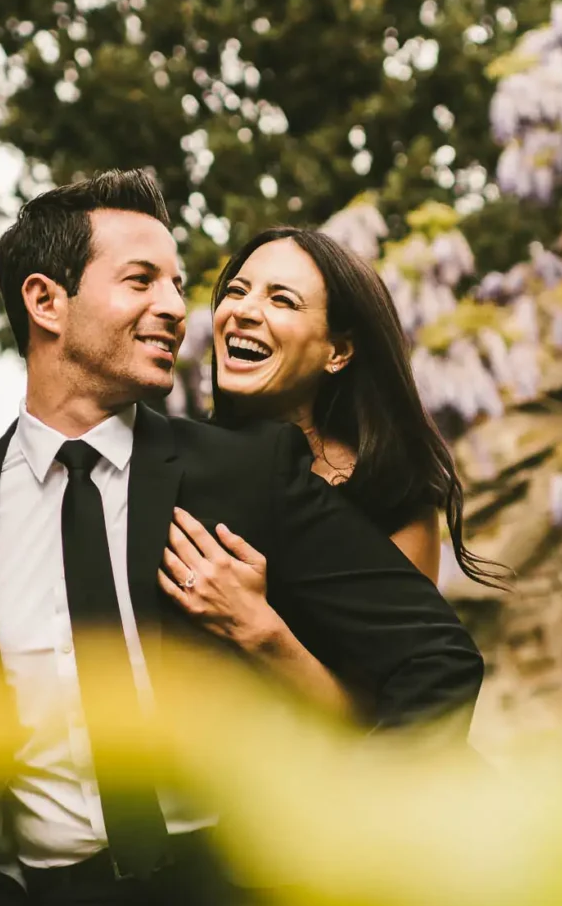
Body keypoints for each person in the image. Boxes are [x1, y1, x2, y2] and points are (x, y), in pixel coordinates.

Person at [0, 170, 485, 906]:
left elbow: (435, 663)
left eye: (177, 282)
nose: (178, 307)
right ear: (46, 302)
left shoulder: (241, 475)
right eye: (142, 281)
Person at [156, 227, 505, 712]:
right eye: (236, 291)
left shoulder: (392, 497)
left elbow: (395, 706)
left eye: (282, 301)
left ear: (337, 352)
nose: (244, 311)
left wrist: (259, 628)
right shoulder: (181, 463)